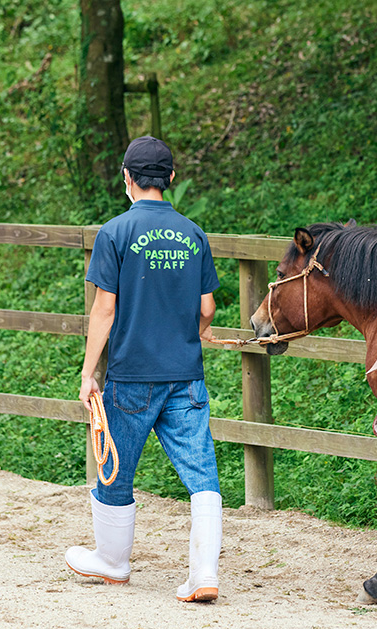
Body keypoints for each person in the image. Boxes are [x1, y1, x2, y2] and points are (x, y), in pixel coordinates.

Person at [65, 135, 223, 602]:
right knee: (202, 473)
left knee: (115, 466)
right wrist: (198, 330)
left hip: (132, 376)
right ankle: (204, 574)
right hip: (185, 376)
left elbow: (104, 311)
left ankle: (112, 561)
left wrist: (89, 370)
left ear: (127, 179)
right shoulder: (193, 233)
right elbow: (208, 307)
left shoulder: (114, 233)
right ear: (171, 178)